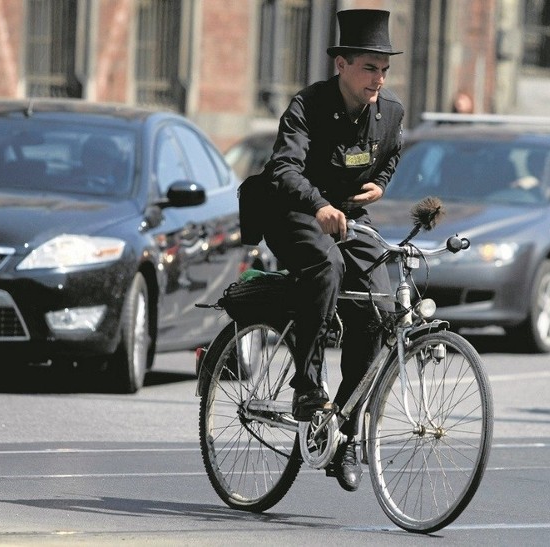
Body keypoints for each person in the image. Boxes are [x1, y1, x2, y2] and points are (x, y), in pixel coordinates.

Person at [238, 9, 404, 493]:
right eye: (369, 67)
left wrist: (379, 186)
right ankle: (307, 392)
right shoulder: (308, 105)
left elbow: (392, 151)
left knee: (380, 306)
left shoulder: (389, 111)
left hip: (350, 216)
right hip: (292, 212)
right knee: (325, 267)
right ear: (341, 65)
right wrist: (319, 205)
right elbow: (282, 169)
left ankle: (345, 434)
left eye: (384, 69)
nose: (378, 78)